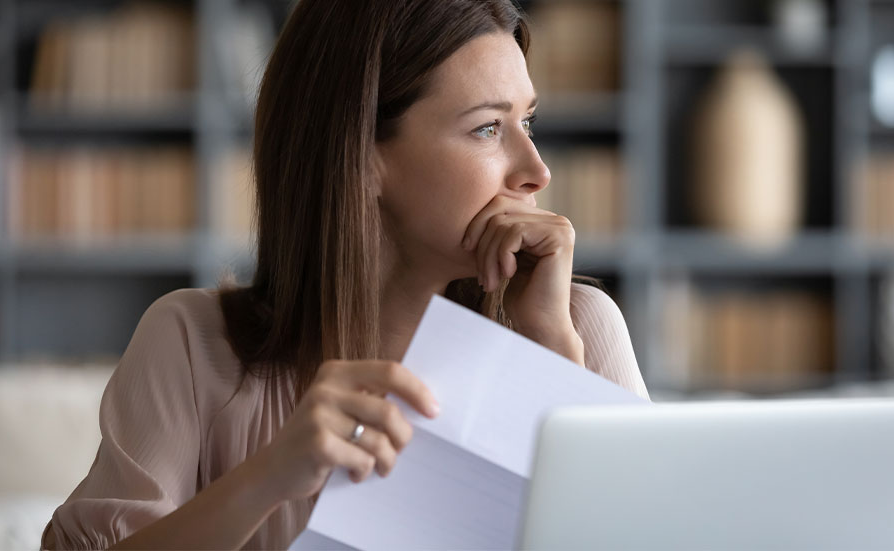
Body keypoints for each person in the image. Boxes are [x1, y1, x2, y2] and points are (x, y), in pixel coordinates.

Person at [41, 0, 650, 548]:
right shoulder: (191, 344)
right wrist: (267, 479)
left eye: (529, 122)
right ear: (361, 156)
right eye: (488, 128)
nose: (537, 171)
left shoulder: (580, 328)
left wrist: (552, 362)